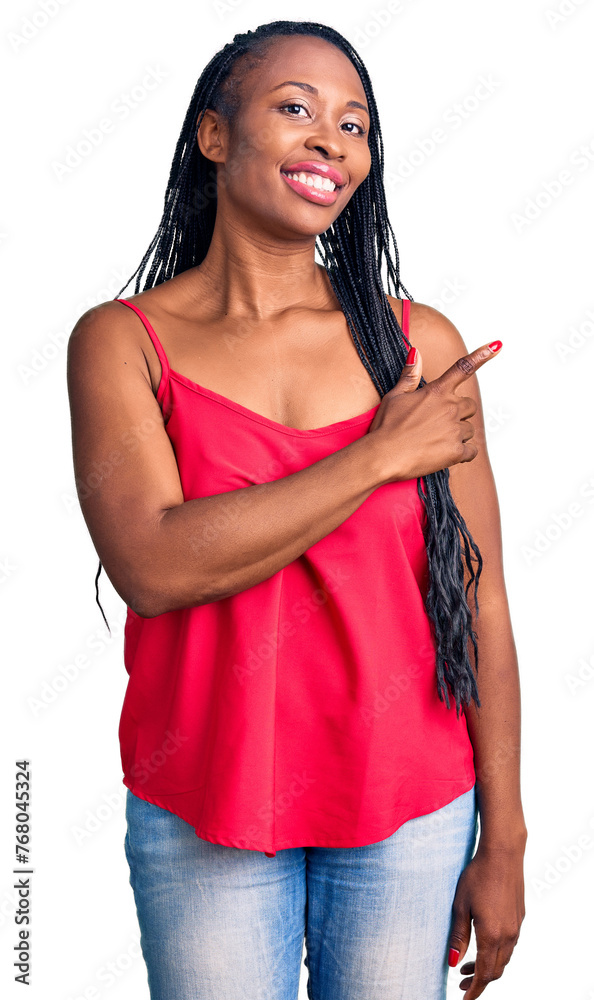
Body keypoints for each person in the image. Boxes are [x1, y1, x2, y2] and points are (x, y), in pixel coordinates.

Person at [66, 20, 527, 1000]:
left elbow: (479, 599)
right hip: (203, 799)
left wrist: (508, 837)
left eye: (354, 124)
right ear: (214, 137)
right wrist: (379, 457)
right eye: (296, 109)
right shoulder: (122, 342)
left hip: (410, 803)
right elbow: (154, 561)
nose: (332, 140)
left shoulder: (417, 345)